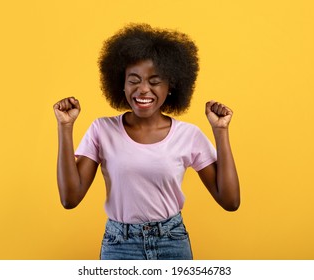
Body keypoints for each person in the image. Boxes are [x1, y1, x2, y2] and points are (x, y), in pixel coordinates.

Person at [53, 23, 240, 260]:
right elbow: (70, 198)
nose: (143, 90)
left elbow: (230, 200)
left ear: (170, 86)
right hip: (119, 244)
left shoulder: (189, 135)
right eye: (134, 80)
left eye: (154, 81)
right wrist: (65, 126)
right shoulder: (102, 130)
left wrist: (221, 131)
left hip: (172, 242)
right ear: (121, 84)